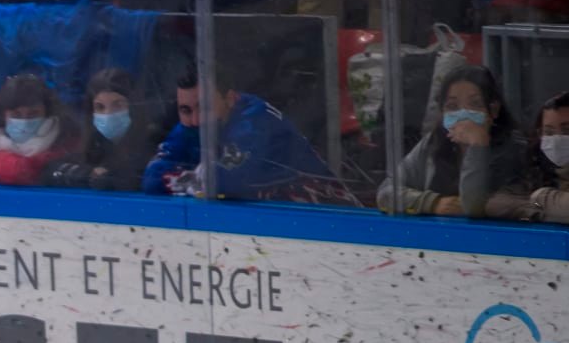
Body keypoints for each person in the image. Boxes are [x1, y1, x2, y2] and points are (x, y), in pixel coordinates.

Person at [144, 65, 349, 204]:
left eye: (204, 107)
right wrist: (196, 180)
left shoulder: (254, 122)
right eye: (186, 110)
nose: (196, 120)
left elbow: (226, 182)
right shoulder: (191, 126)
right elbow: (151, 177)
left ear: (231, 99)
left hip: (322, 209)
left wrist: (182, 178)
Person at [378, 65, 528, 218]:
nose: (463, 114)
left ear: (494, 110)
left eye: (475, 104)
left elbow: (473, 207)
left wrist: (477, 147)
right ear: (442, 112)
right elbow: (385, 193)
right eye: (452, 106)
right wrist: (432, 203)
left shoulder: (514, 149)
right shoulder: (433, 142)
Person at [44, 68, 161, 192]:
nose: (108, 113)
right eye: (100, 107)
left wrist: (106, 178)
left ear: (134, 106)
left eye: (118, 105)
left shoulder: (153, 144)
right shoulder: (90, 145)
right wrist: (89, 174)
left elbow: (139, 180)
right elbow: (49, 172)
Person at [0, 72, 82, 187]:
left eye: (33, 114)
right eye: (16, 114)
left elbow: (19, 171)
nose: (25, 120)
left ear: (47, 114)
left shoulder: (67, 146)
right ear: (3, 116)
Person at [498, 90, 569, 223]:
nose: (557, 138)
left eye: (567, 130)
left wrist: (540, 198)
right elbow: (495, 203)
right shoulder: (536, 168)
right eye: (549, 132)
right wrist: (537, 209)